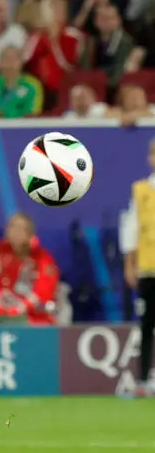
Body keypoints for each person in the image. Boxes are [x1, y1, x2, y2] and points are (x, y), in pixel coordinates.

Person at [120, 137, 155, 397]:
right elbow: (131, 230)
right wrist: (130, 264)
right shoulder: (141, 191)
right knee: (147, 325)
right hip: (149, 269)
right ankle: (143, 380)